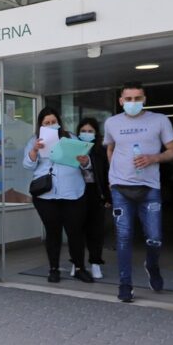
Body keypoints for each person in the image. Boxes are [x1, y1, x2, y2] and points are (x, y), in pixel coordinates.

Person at [105, 81, 173, 302]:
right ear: (121, 101)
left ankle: (152, 265)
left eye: (137, 98)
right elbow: (110, 148)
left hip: (149, 187)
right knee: (123, 237)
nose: (133, 102)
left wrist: (153, 158)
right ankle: (125, 284)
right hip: (120, 188)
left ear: (144, 99)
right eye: (128, 99)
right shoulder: (111, 122)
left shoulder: (160, 120)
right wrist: (112, 176)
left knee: (155, 238)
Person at [23, 107, 93, 284]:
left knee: (75, 232)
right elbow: (28, 165)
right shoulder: (34, 140)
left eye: (53, 122)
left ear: (59, 122)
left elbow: (86, 164)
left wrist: (85, 161)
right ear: (40, 125)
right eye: (46, 123)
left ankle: (79, 268)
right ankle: (53, 269)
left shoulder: (71, 137)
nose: (51, 125)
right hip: (46, 195)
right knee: (53, 232)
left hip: (73, 192)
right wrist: (34, 151)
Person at [73, 118, 110, 280]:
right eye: (83, 131)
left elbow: (106, 174)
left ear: (96, 133)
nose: (86, 134)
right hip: (75, 192)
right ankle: (76, 263)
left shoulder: (100, 150)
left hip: (95, 192)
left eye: (90, 131)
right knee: (76, 229)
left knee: (96, 230)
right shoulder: (73, 148)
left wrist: (108, 197)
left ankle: (95, 263)